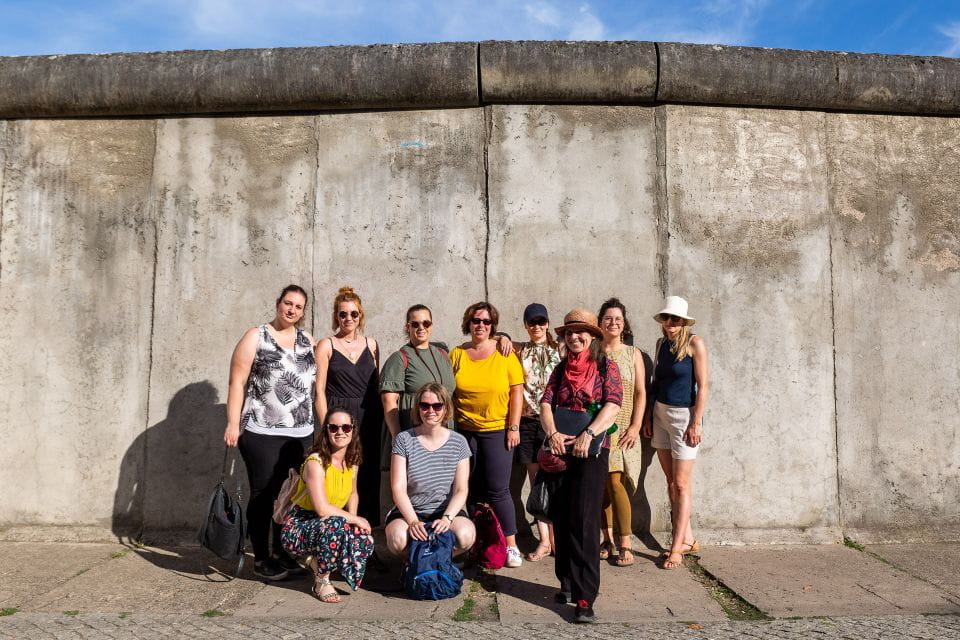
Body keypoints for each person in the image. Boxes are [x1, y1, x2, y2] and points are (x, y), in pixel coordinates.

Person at [223, 284, 316, 581]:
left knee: (289, 495)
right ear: (278, 303)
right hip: (261, 430)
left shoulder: (307, 340)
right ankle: (261, 557)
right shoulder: (256, 336)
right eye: (288, 303)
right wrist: (232, 423)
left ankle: (282, 552)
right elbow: (237, 382)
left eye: (298, 307)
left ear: (303, 312)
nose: (292, 310)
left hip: (301, 431)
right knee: (264, 495)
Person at [540, 308, 622, 623]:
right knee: (561, 516)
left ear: (593, 337)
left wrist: (589, 433)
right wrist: (552, 434)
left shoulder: (605, 367)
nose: (575, 337)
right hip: (561, 448)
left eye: (581, 332)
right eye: (570, 332)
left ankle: (585, 597)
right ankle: (568, 582)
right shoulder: (559, 369)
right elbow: (546, 403)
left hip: (592, 450)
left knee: (586, 521)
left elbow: (613, 405)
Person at [450, 302, 525, 568]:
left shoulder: (504, 353)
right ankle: (474, 544)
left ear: (493, 325)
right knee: (467, 489)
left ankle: (512, 546)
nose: (480, 325)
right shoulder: (457, 354)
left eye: (486, 321)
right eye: (475, 320)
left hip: (497, 431)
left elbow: (517, 391)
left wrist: (513, 427)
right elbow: (448, 390)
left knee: (499, 490)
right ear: (468, 324)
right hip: (465, 432)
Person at [642, 296, 709, 571]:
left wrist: (696, 422)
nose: (670, 324)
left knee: (681, 484)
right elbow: (655, 383)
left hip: (684, 417)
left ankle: (676, 547)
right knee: (671, 481)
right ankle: (688, 538)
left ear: (683, 322)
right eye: (667, 319)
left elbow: (703, 386)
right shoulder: (661, 345)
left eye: (676, 319)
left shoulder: (695, 344)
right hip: (660, 414)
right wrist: (648, 416)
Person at [281, 408, 374, 602]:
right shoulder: (316, 463)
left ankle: (320, 562)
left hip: (331, 521)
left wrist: (353, 523)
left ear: (353, 430)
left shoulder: (351, 460)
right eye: (334, 428)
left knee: (364, 538)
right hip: (299, 526)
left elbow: (353, 493)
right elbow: (322, 510)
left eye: (346, 427)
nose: (340, 432)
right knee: (335, 524)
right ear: (326, 431)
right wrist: (353, 519)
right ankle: (321, 581)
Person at [316, 287, 384, 529]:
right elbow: (319, 392)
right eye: (343, 314)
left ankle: (365, 535)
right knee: (340, 474)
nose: (348, 319)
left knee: (367, 475)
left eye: (353, 314)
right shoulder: (326, 345)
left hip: (369, 418)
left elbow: (376, 387)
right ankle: (338, 531)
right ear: (336, 316)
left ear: (360, 316)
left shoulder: (372, 345)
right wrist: (327, 427)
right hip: (339, 418)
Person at [385, 383, 476, 556]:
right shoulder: (404, 440)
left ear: (445, 408)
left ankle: (437, 561)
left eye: (437, 406)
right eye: (424, 405)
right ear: (418, 408)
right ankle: (414, 565)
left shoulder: (459, 442)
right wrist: (412, 521)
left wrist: (447, 518)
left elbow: (461, 489)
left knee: (466, 535)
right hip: (411, 511)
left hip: (444, 510)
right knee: (397, 539)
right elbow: (398, 488)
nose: (430, 411)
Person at [597, 298, 646, 567]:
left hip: (624, 427)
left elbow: (640, 393)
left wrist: (636, 425)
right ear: (600, 322)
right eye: (608, 318)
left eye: (617, 318)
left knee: (616, 482)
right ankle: (607, 539)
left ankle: (626, 542)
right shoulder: (594, 352)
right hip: (599, 427)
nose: (613, 322)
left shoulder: (633, 353)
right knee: (602, 487)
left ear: (624, 323)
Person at [512, 303, 561, 562]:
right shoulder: (519, 351)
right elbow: (503, 341)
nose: (537, 327)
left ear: (548, 323)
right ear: (526, 325)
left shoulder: (559, 349)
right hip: (529, 422)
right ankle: (544, 540)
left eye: (541, 321)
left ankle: (558, 538)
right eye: (532, 322)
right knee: (535, 482)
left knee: (556, 481)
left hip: (554, 422)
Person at [380, 304, 457, 439]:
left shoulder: (443, 355)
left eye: (426, 323)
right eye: (415, 324)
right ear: (408, 327)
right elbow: (389, 401)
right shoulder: (399, 358)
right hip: (412, 432)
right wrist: (397, 436)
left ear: (431, 326)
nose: (421, 327)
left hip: (445, 432)